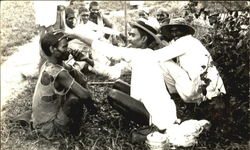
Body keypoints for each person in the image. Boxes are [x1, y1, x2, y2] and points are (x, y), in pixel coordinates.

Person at [67, 17, 226, 134]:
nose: (129, 37)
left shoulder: (145, 55)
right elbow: (113, 72)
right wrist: (87, 60)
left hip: (157, 115)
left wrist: (76, 35)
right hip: (159, 105)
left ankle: (147, 125)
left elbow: (107, 49)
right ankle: (147, 119)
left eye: (133, 35)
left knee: (113, 95)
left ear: (143, 39)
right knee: (117, 84)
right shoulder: (144, 55)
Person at [31, 30, 97, 140]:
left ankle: (80, 120)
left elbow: (80, 77)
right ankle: (74, 133)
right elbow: (85, 95)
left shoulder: (51, 63)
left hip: (40, 122)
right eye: (64, 47)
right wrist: (93, 111)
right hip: (48, 128)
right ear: (52, 49)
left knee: (75, 78)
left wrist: (83, 59)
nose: (68, 50)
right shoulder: (57, 72)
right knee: (75, 98)